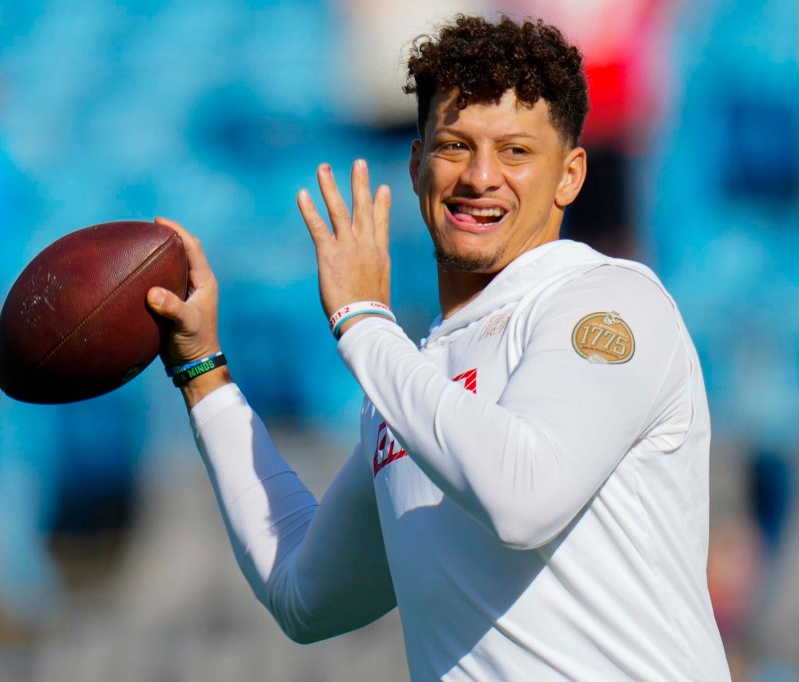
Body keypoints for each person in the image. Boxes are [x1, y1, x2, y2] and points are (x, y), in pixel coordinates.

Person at [147, 14, 730, 681]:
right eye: (456, 146)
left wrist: (364, 323)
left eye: (516, 151)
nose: (481, 177)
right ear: (419, 163)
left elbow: (523, 499)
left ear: (569, 176)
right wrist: (202, 372)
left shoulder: (610, 303)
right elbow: (303, 594)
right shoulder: (409, 380)